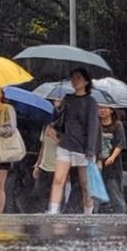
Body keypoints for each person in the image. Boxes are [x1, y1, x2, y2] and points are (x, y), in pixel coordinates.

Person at [48, 67, 100, 216]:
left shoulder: (90, 102)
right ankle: (52, 211)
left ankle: (88, 213)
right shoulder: (67, 98)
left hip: (83, 147)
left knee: (85, 185)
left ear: (86, 81)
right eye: (73, 78)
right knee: (58, 179)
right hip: (66, 144)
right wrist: (57, 109)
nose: (74, 81)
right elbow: (58, 121)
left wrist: (90, 150)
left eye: (78, 78)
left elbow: (93, 126)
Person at [32, 101, 62, 213]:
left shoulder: (63, 129)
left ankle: (54, 211)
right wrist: (37, 164)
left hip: (58, 165)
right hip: (44, 164)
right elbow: (43, 146)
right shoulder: (46, 127)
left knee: (54, 190)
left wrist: (54, 137)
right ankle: (42, 211)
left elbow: (66, 146)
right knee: (39, 192)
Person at [98, 105, 127, 214]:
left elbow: (120, 144)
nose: (101, 110)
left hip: (113, 165)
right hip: (98, 162)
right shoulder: (96, 125)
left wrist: (112, 157)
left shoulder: (117, 125)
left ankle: (121, 213)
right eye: (99, 108)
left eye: (104, 108)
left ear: (111, 110)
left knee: (114, 190)